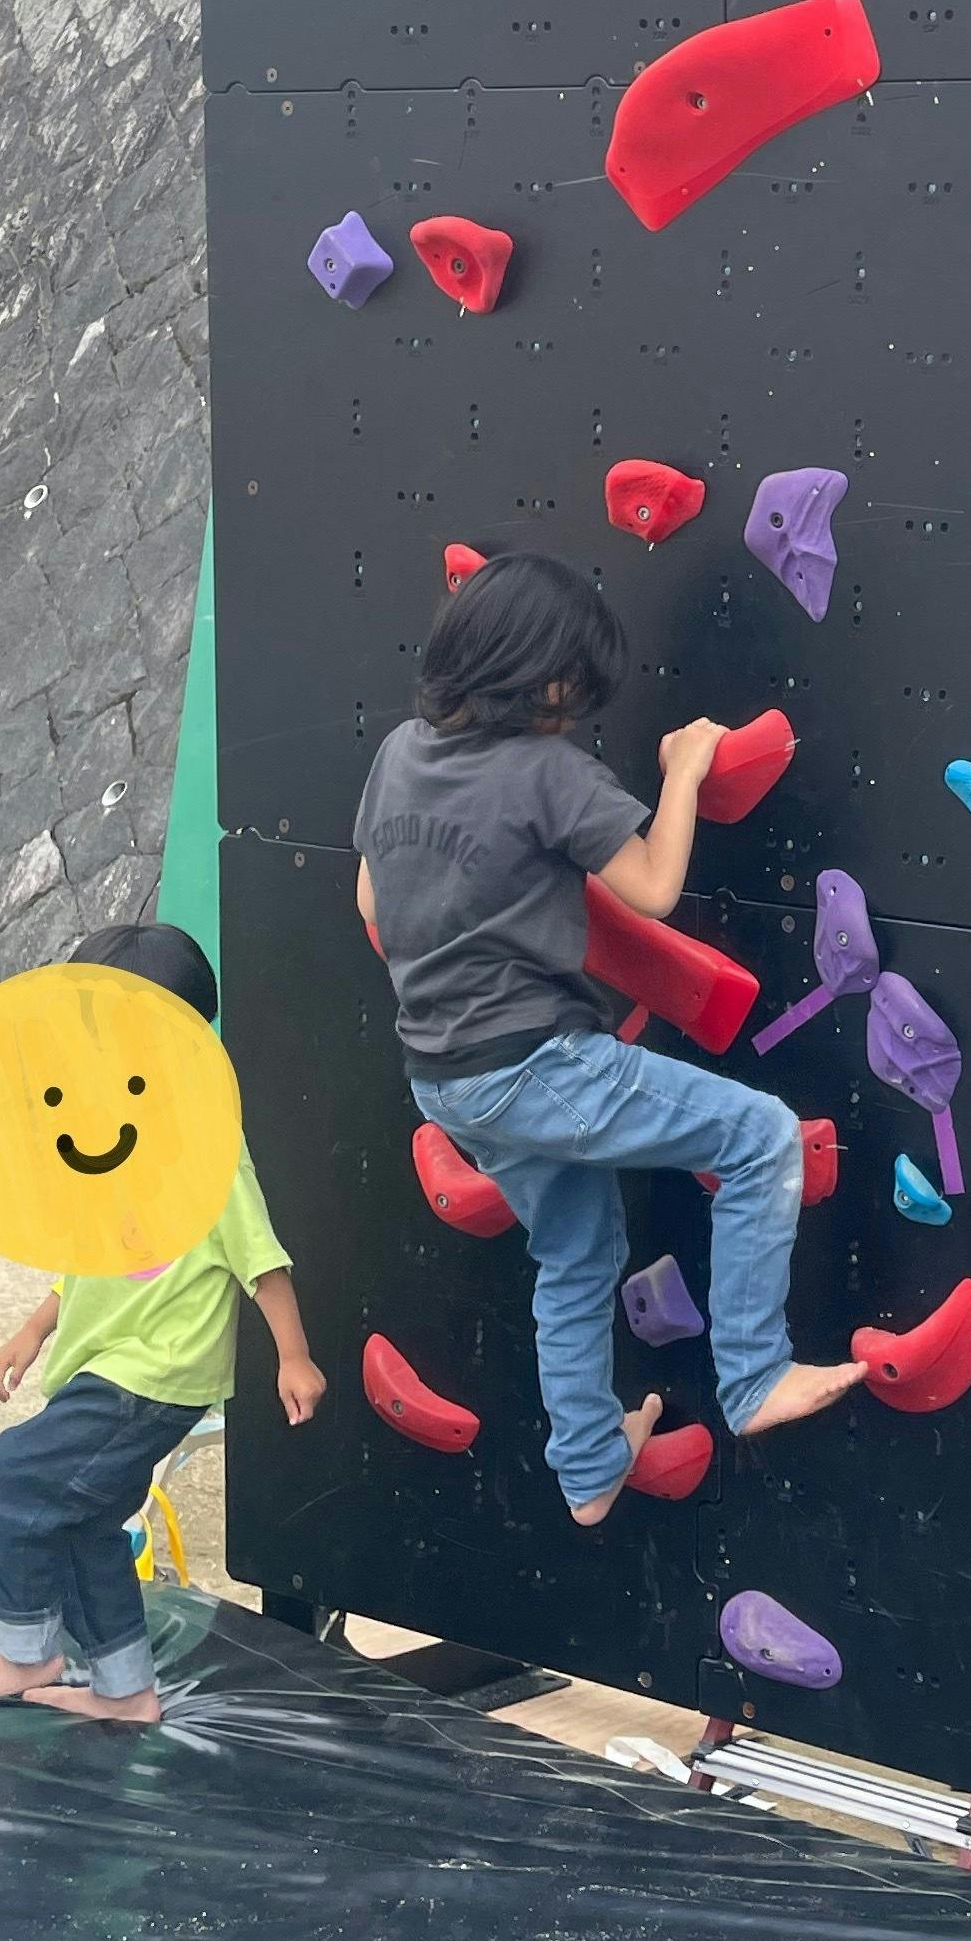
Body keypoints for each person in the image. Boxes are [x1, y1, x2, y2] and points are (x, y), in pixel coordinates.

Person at [354, 552, 855, 1521]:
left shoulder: (401, 754)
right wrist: (687, 771)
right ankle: (756, 1376)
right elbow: (655, 888)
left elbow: (373, 898)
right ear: (541, 676)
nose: (576, 711)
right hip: (535, 1062)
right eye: (573, 688)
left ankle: (588, 1470)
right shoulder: (547, 771)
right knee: (758, 1135)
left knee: (578, 1254)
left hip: (444, 1075)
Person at [0, 923, 322, 1726]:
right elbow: (93, 1258)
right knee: (83, 1522)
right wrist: (35, 1328)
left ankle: (25, 1648)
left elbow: (260, 1259)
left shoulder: (208, 1147)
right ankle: (125, 1689)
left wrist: (294, 1357)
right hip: (108, 1364)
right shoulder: (111, 1137)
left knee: (8, 1480)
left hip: (152, 1375)